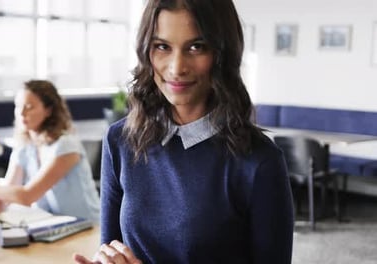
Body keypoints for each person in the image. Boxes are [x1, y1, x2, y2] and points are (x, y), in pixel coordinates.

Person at [74, 0, 294, 263]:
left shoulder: (259, 161)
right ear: (146, 51)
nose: (177, 67)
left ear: (223, 53)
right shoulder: (119, 140)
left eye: (196, 47)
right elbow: (112, 249)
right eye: (162, 47)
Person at [0, 80, 100, 222]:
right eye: (18, 106)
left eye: (29, 107)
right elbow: (5, 196)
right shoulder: (24, 147)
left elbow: (27, 196)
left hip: (87, 227)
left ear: (48, 110)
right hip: (52, 227)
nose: (22, 113)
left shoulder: (66, 146)